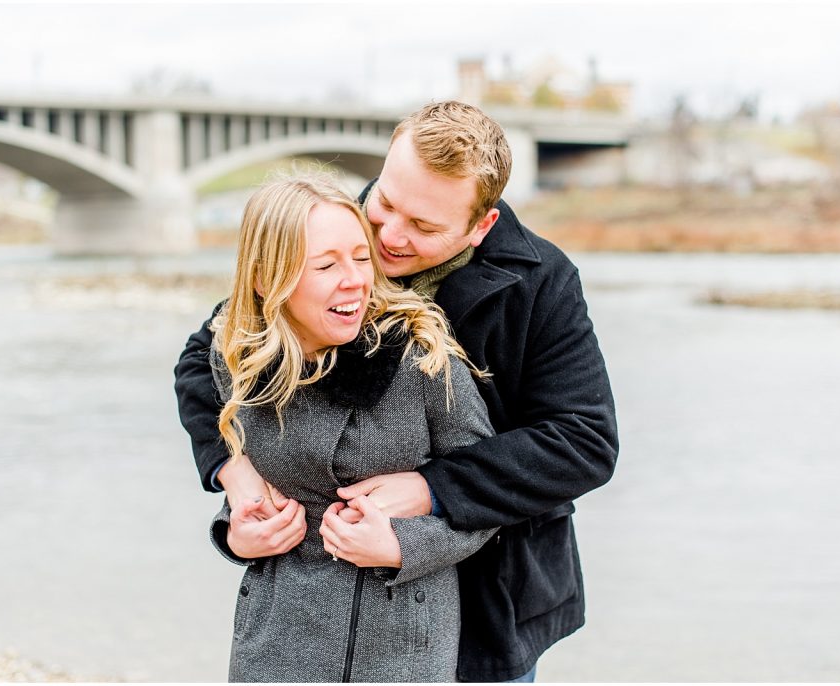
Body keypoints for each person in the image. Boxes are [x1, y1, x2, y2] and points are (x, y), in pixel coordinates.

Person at [175, 101, 619, 682]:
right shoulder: (337, 227)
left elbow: (584, 442)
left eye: (424, 227)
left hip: (491, 591)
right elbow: (208, 360)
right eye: (384, 201)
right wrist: (234, 480)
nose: (388, 236)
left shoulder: (542, 281)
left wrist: (430, 488)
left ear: (480, 226)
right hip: (309, 609)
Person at [202, 175, 498, 682]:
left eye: (362, 258)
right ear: (266, 278)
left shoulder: (422, 360)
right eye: (325, 265)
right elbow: (255, 484)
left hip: (404, 646)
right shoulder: (236, 357)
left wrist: (404, 546)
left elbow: (487, 496)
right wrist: (235, 535)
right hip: (275, 643)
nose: (355, 280)